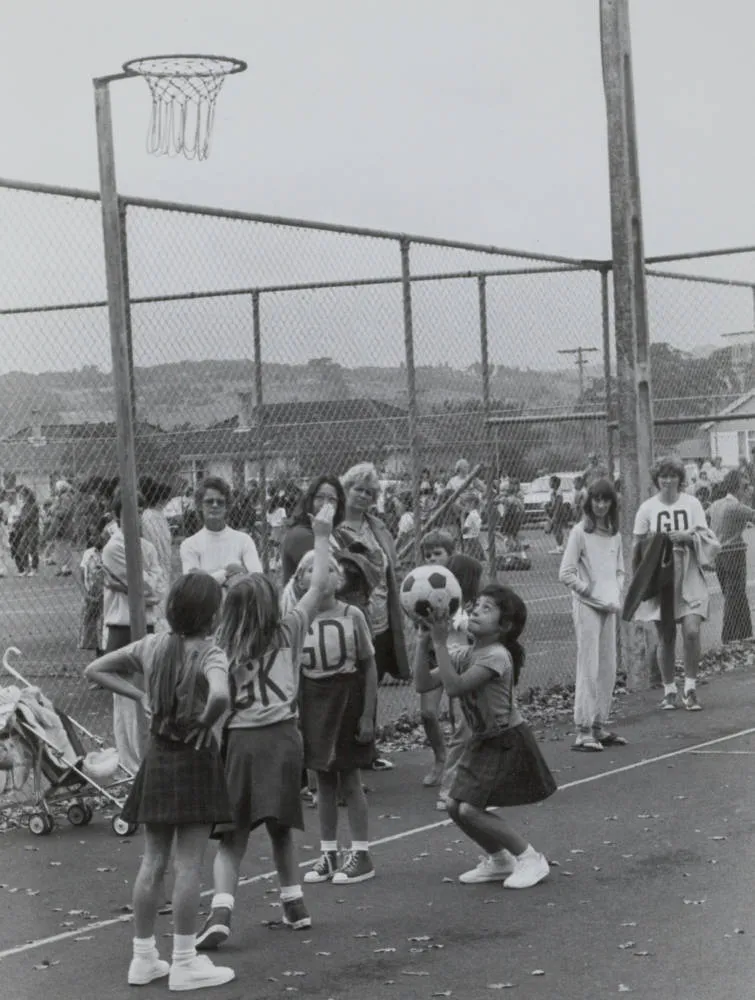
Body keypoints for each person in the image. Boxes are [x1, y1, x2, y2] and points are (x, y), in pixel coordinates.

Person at [195, 499, 335, 951]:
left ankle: (221, 910)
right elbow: (317, 586)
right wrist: (322, 534)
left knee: (232, 838)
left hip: (241, 742)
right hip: (284, 739)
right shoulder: (290, 628)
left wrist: (219, 580)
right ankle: (295, 903)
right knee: (280, 827)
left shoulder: (220, 644)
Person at [84, 573, 235, 992]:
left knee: (153, 861)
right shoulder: (210, 652)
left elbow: (94, 668)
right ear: (211, 614)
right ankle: (185, 961)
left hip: (159, 758)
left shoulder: (151, 646)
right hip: (195, 759)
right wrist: (207, 721)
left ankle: (144, 956)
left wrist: (139, 696)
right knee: (189, 864)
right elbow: (220, 695)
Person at [414, 584, 556, 887]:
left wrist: (439, 643)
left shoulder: (497, 656)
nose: (476, 610)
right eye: (476, 605)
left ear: (504, 626)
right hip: (481, 740)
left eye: (487, 608)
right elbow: (423, 683)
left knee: (470, 809)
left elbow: (453, 688)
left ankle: (531, 858)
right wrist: (423, 639)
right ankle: (500, 860)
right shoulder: (467, 653)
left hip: (506, 740)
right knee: (454, 806)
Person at [295, 549, 378, 885]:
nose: (320, 576)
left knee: (350, 779)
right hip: (313, 701)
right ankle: (328, 852)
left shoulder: (352, 614)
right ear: (301, 581)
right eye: (310, 570)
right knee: (322, 782)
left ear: (338, 578)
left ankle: (361, 852)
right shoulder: (298, 617)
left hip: (346, 699)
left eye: (328, 569)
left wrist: (367, 715)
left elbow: (369, 664)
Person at [629, 455, 720, 712]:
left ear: (680, 478)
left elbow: (706, 536)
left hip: (689, 572)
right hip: (661, 576)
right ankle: (669, 690)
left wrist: (686, 536)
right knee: (665, 636)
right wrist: (641, 578)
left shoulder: (691, 504)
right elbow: (637, 545)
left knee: (691, 630)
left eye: (672, 475)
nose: (668, 480)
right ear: (657, 479)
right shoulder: (647, 508)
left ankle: (690, 688)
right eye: (663, 476)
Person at [336, 463, 411, 770]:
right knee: (346, 684)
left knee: (373, 679)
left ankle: (368, 748)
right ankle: (343, 750)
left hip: (379, 613)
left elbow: (391, 567)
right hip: (348, 615)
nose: (364, 497)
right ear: (346, 489)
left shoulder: (376, 527)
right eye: (359, 490)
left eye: (370, 492)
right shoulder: (335, 528)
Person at [102, 490, 167, 773]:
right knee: (127, 698)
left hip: (148, 622)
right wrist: (141, 588)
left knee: (147, 693)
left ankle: (148, 757)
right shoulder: (114, 547)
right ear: (117, 515)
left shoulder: (146, 547)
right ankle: (131, 765)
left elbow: (156, 588)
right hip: (122, 625)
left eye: (139, 510)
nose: (136, 517)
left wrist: (140, 588)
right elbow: (143, 586)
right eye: (129, 511)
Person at [558, 479, 626, 751]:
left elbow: (620, 570)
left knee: (608, 666)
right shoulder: (579, 533)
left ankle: (598, 724)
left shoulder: (614, 534)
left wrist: (614, 593)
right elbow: (565, 572)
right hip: (587, 607)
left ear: (611, 504)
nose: (600, 505)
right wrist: (588, 592)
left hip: (608, 608)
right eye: (596, 500)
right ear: (588, 503)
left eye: (605, 500)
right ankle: (583, 729)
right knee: (589, 665)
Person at [435, 552, 484, 812]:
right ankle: (448, 788)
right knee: (463, 731)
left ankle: (473, 784)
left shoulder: (470, 606)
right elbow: (463, 627)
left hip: (472, 669)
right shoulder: (452, 608)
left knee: (475, 727)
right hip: (459, 670)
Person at [416, 529, 457, 788]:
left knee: (459, 715)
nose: (432, 558)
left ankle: (458, 763)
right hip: (432, 654)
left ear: (451, 555)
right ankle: (440, 757)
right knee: (428, 713)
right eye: (428, 555)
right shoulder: (420, 586)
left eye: (438, 553)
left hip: (457, 653)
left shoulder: (459, 584)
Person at [180, 476, 262, 588]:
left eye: (220, 502)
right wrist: (227, 573)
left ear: (227, 507)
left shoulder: (244, 540)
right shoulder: (189, 545)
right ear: (199, 506)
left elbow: (257, 579)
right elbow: (193, 587)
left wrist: (206, 577)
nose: (215, 505)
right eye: (209, 502)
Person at [706, 468, 755, 643]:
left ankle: (743, 634)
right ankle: (730, 637)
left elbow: (706, 520)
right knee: (735, 596)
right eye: (745, 486)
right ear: (736, 488)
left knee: (733, 594)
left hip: (719, 555)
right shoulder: (736, 507)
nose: (749, 490)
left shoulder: (716, 505)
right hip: (734, 553)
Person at [280, 475, 346, 585]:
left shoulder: (335, 534)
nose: (325, 504)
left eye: (332, 499)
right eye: (320, 497)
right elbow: (323, 581)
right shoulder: (300, 535)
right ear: (310, 501)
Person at [78, 522, 106, 658]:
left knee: (105, 629)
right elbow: (82, 575)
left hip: (106, 596)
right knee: (94, 631)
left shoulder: (109, 551)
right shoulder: (88, 554)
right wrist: (86, 594)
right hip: (91, 596)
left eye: (96, 534)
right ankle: (99, 656)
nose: (93, 538)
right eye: (91, 535)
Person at [11, 486, 40, 576]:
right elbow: (22, 517)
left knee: (32, 549)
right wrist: (17, 521)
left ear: (28, 495)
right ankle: (27, 568)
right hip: (25, 529)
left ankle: (34, 569)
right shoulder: (25, 506)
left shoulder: (33, 505)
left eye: (23, 495)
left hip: (32, 529)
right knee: (21, 549)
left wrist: (19, 520)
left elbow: (28, 517)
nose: (22, 497)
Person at [544, 475, 570, 554]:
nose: (549, 483)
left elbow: (558, 504)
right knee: (556, 530)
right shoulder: (553, 492)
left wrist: (555, 515)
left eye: (550, 482)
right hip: (555, 512)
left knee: (557, 530)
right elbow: (553, 503)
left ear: (555, 483)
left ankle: (560, 547)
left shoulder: (558, 492)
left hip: (558, 513)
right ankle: (559, 546)